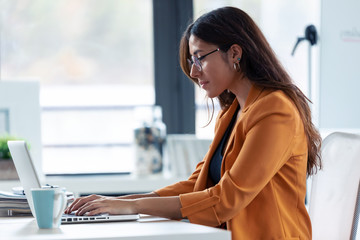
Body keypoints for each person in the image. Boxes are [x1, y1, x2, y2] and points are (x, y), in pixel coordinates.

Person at [65, 6, 322, 240]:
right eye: (192, 61)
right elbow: (197, 184)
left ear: (234, 53)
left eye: (200, 58)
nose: (194, 71)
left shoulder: (275, 111)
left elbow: (226, 200)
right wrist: (116, 202)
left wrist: (131, 206)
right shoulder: (233, 112)